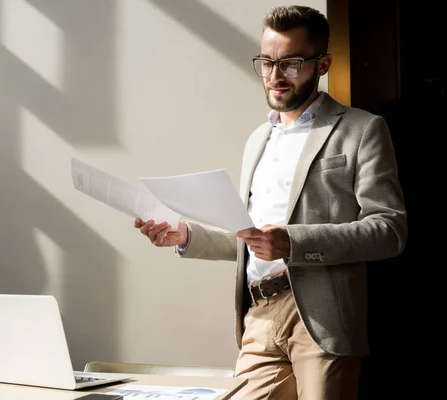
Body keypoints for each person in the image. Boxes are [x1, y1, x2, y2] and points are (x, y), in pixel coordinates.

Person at [134, 5, 407, 400]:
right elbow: (253, 239)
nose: (276, 76)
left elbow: (390, 229)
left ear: (323, 63)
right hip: (258, 314)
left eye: (291, 63)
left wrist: (294, 242)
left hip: (322, 318)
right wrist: (186, 236)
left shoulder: (362, 129)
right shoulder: (258, 140)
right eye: (267, 62)